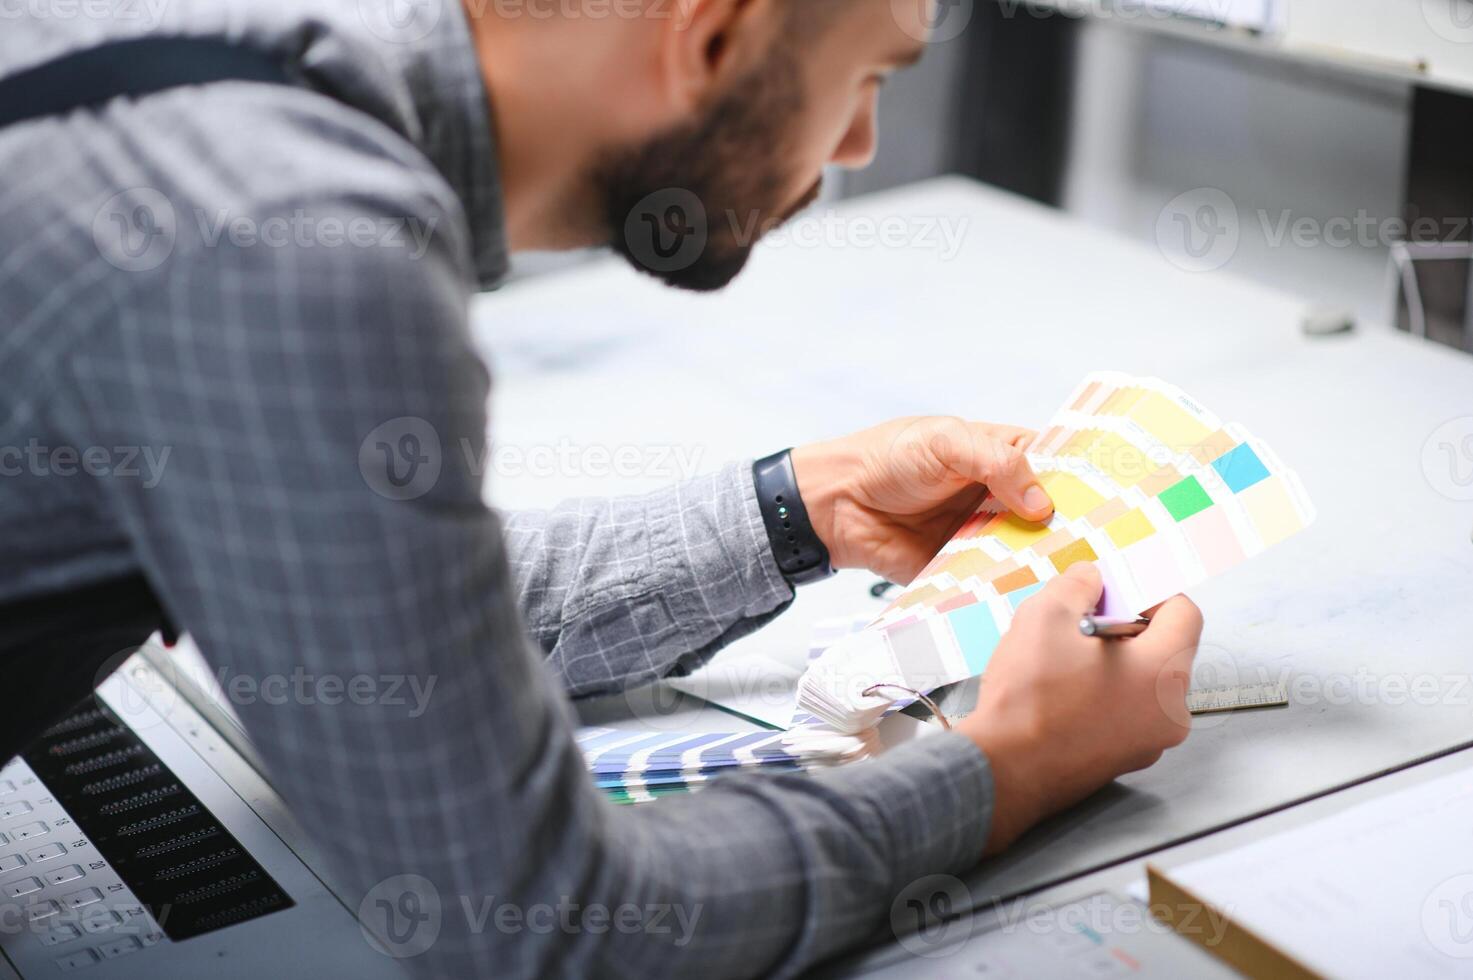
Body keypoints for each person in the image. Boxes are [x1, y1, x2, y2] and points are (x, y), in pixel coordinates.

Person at [0, 1, 1202, 975]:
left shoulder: (200, 95)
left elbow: (356, 586)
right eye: (869, 78)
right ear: (714, 33)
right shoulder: (299, 249)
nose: (855, 151)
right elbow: (545, 919)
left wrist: (800, 508)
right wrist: (1014, 761)